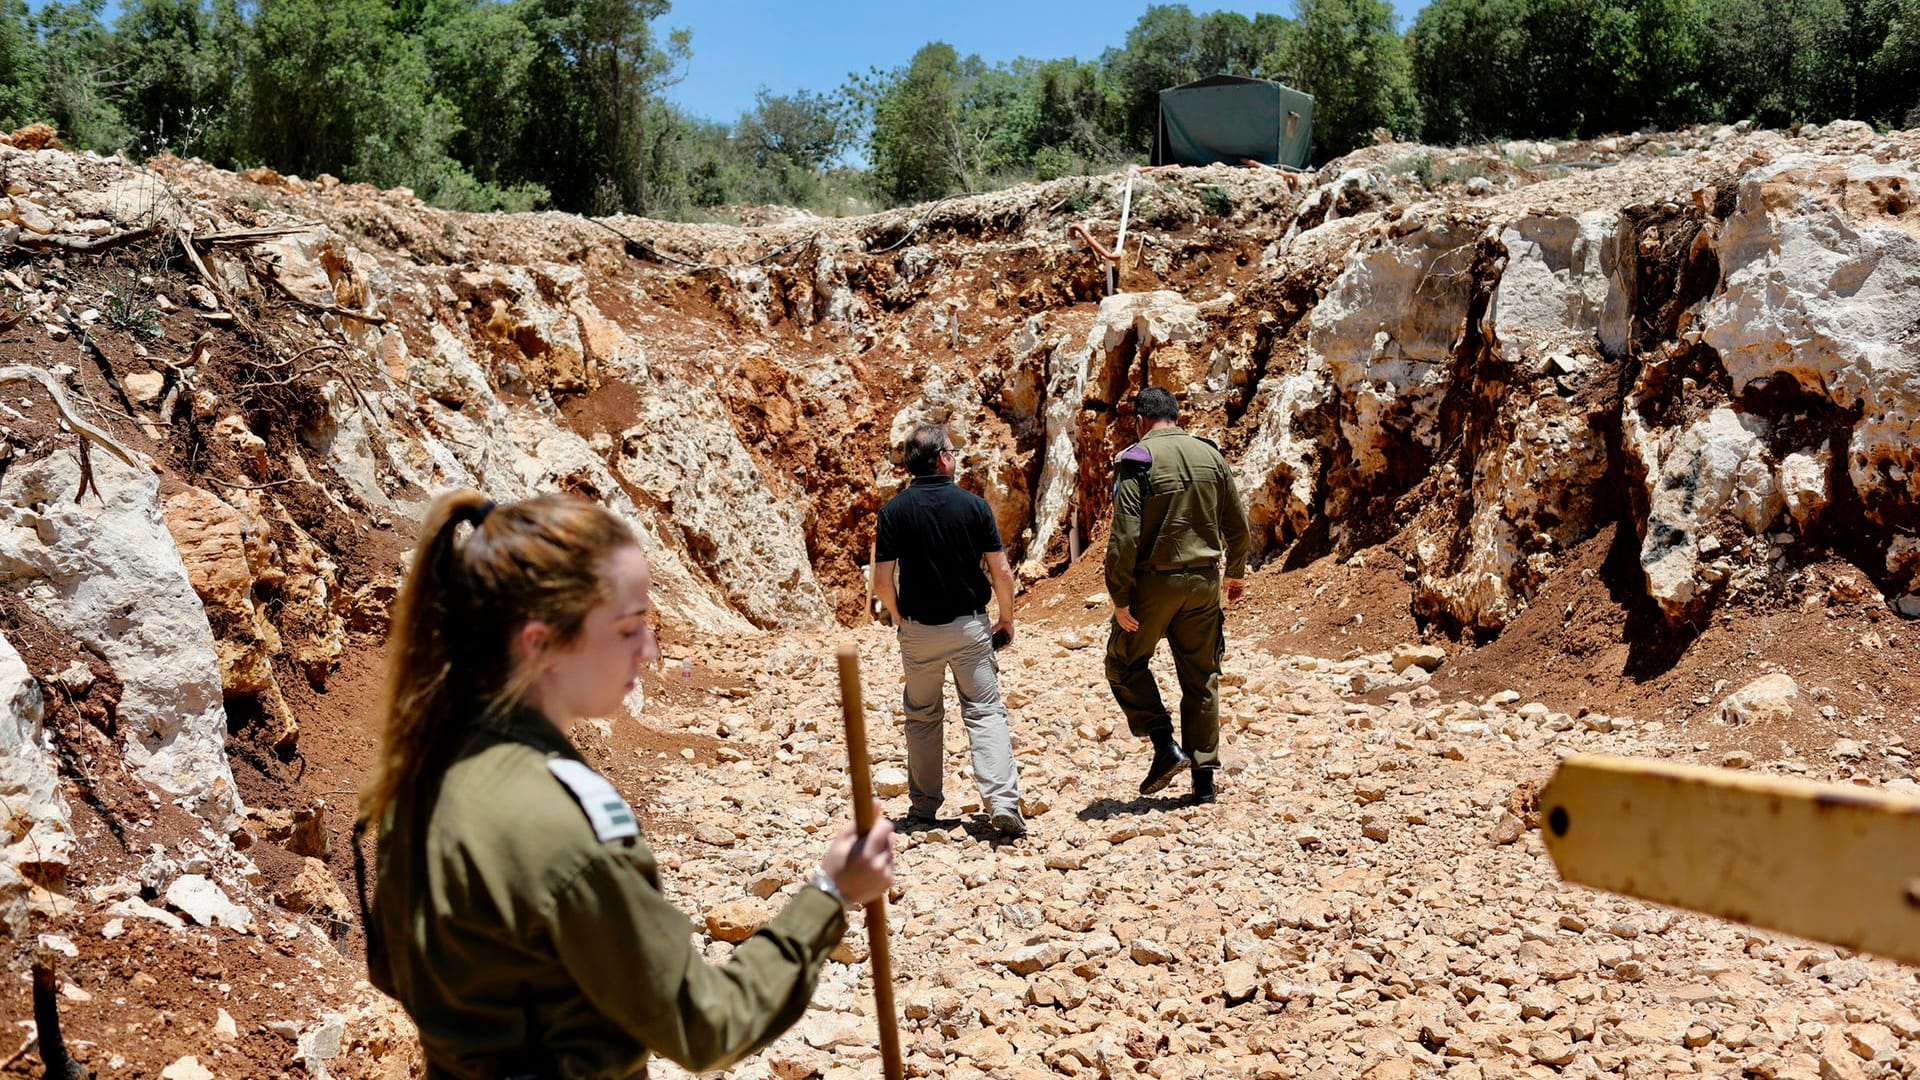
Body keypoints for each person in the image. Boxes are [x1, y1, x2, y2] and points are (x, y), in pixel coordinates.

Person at [356, 489, 894, 1079]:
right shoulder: (559, 825)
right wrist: (831, 893)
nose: (650, 649)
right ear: (542, 645)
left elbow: (390, 969)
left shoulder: (417, 771)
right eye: (628, 628)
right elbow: (708, 1025)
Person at [872, 423, 1027, 839]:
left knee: (922, 716)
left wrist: (899, 618)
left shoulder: (893, 511)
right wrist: (1006, 618)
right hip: (969, 630)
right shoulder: (974, 506)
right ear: (941, 458)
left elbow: (882, 582)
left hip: (919, 631)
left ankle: (924, 808)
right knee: (984, 711)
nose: (955, 457)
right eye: (953, 451)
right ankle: (1002, 803)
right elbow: (1001, 571)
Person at [1103, 387, 1250, 805]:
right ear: (1175, 415)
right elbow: (1238, 527)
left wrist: (1119, 595)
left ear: (1140, 421)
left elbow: (1125, 537)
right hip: (1205, 582)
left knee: (1124, 662)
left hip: (1154, 584)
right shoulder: (1211, 455)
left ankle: (1165, 745)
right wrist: (1234, 576)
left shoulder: (1137, 460)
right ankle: (1204, 783)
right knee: (1201, 676)